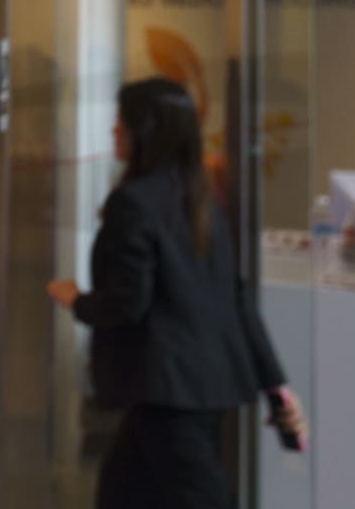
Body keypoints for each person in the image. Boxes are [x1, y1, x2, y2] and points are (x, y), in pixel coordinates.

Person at [46, 77, 308, 509]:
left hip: (166, 390)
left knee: (200, 496)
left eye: (122, 121)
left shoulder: (133, 203)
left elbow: (128, 302)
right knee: (121, 491)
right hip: (194, 385)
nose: (114, 130)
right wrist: (275, 383)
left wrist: (76, 300)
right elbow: (235, 298)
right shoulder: (201, 200)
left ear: (145, 132)